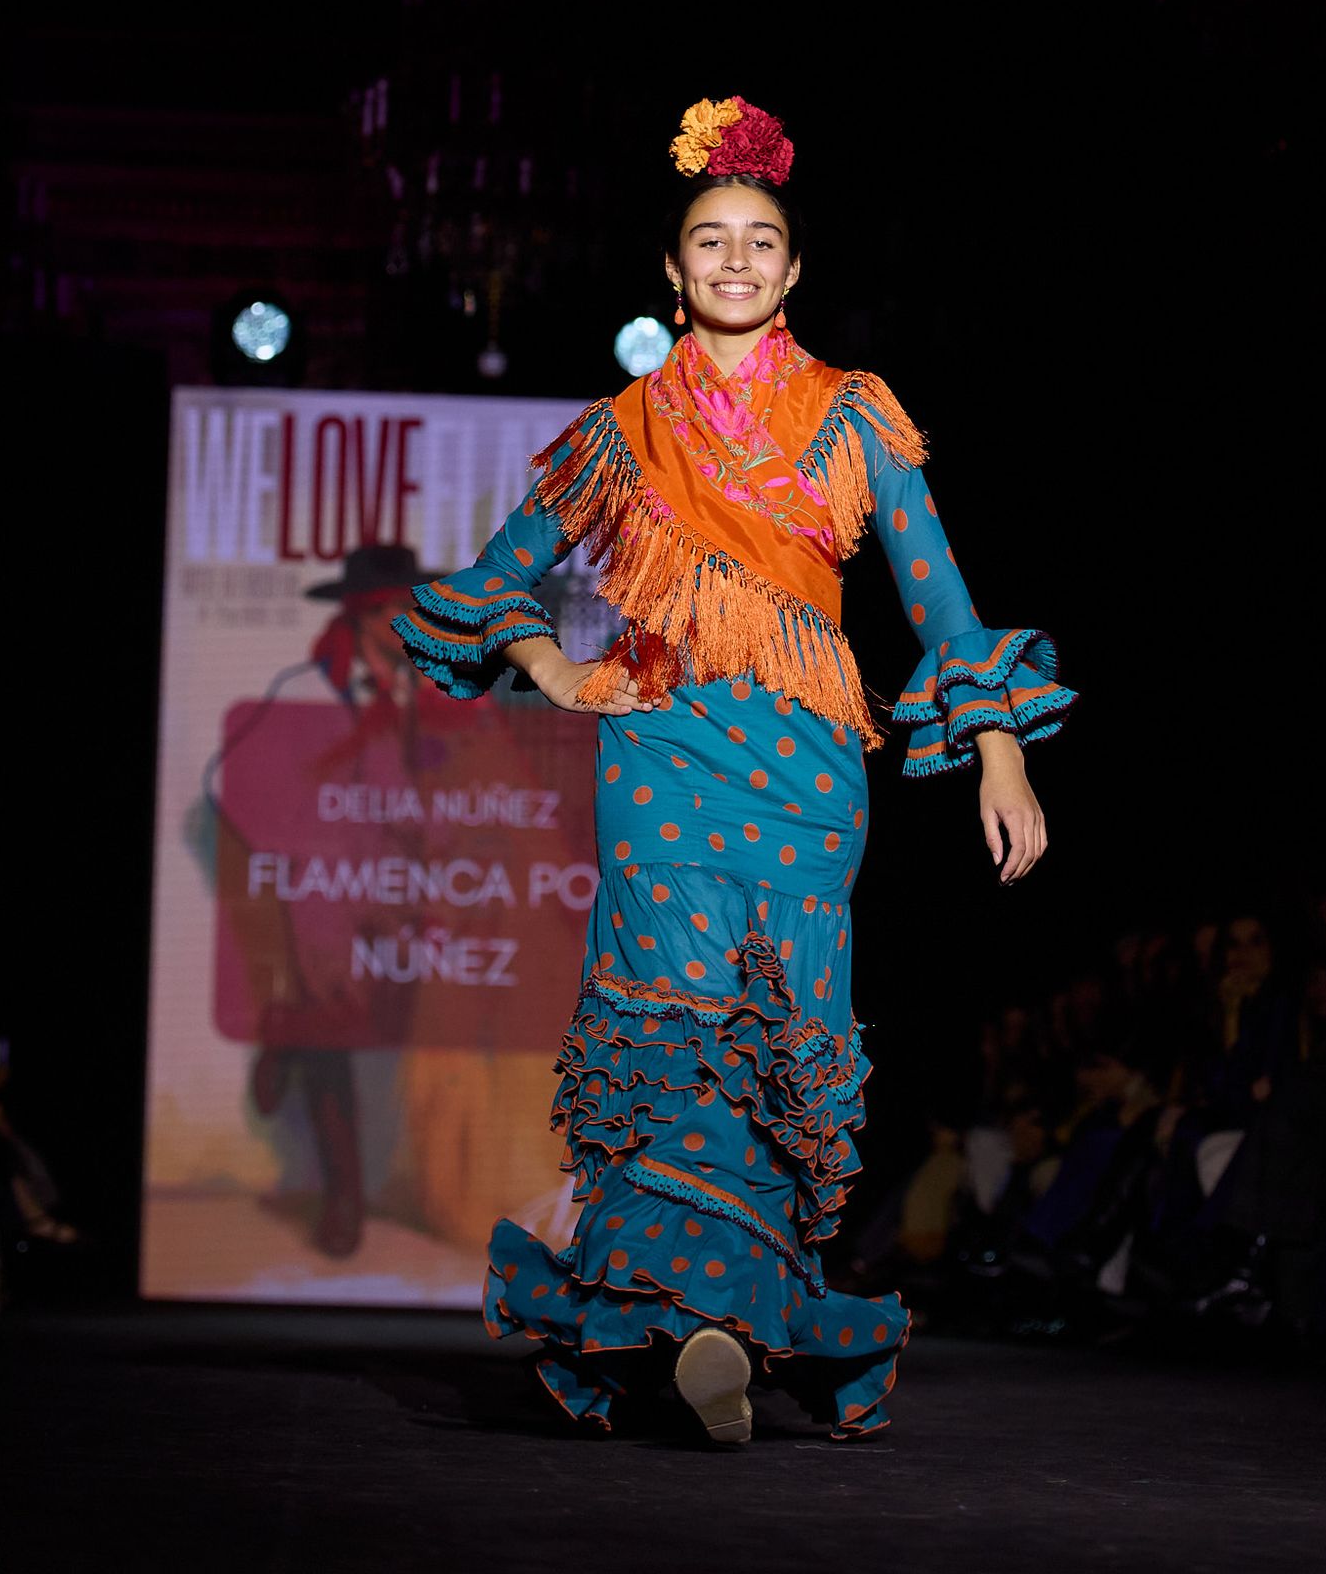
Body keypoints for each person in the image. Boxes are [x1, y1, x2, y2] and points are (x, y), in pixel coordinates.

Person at [393, 94, 1074, 1442]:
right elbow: (500, 583)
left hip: (810, 770)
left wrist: (1004, 758)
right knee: (667, 1034)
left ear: (795, 265)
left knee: (774, 1044)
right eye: (712, 240)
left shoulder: (852, 412)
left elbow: (939, 599)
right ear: (673, 268)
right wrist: (556, 670)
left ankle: (729, 1325)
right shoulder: (617, 432)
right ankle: (690, 1325)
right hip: (658, 757)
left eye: (761, 240)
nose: (738, 261)